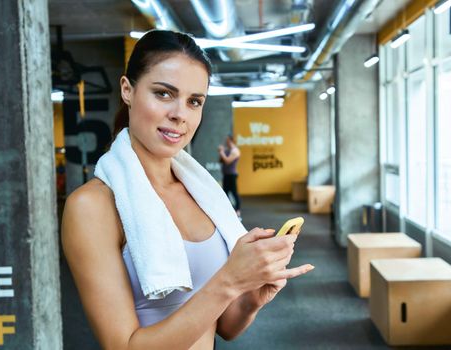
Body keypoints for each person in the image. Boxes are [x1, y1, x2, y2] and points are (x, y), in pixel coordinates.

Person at [61, 30, 313, 350]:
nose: (180, 114)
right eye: (164, 93)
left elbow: (224, 327)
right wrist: (229, 280)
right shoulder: (92, 206)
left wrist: (251, 297)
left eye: (194, 101)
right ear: (128, 90)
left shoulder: (201, 193)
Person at [218, 135, 241, 218]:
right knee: (225, 193)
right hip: (226, 174)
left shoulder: (235, 151)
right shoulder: (228, 150)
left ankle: (238, 210)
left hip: (232, 175)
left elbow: (227, 161)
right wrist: (222, 152)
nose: (226, 142)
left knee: (234, 193)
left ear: (231, 141)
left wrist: (221, 152)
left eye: (227, 140)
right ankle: (228, 210)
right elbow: (221, 160)